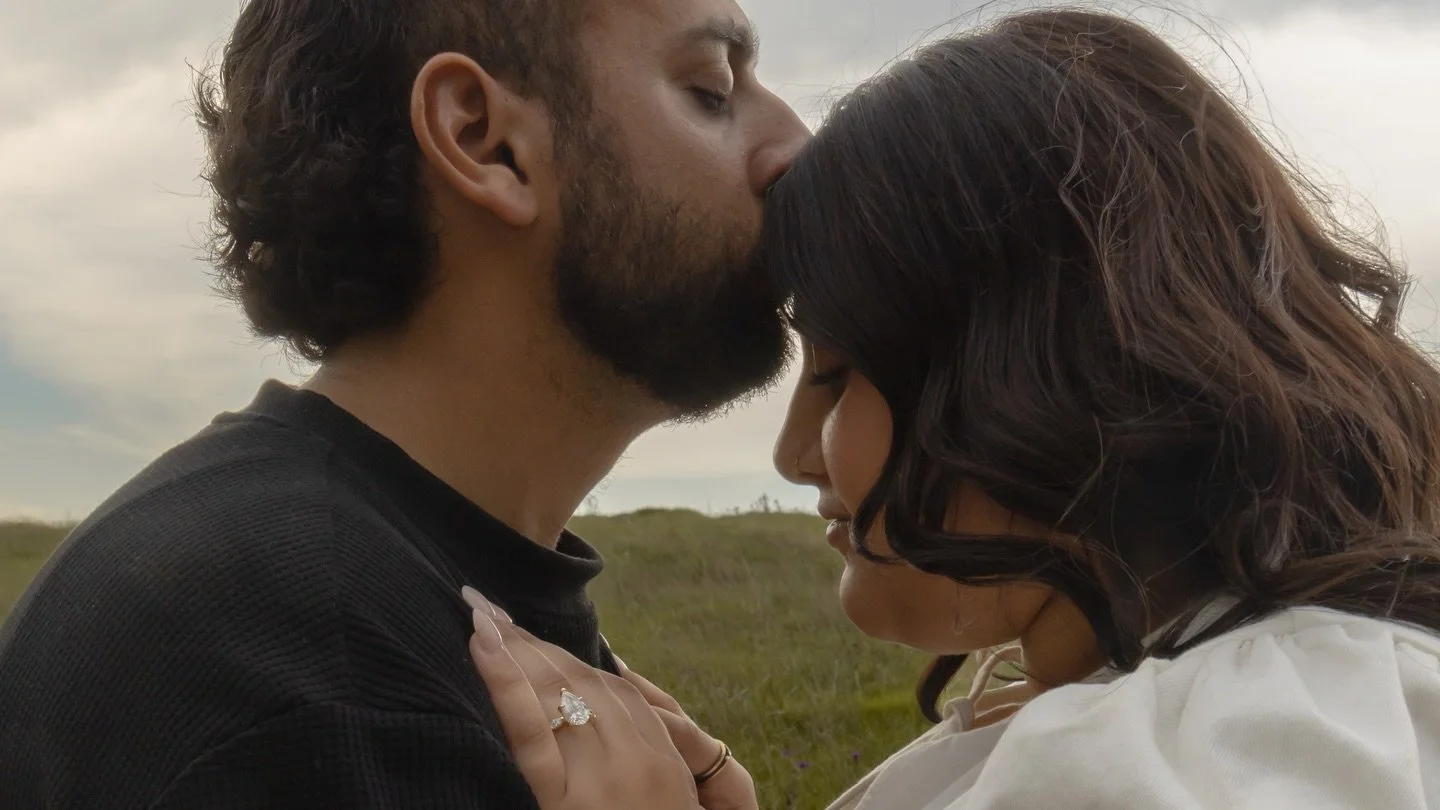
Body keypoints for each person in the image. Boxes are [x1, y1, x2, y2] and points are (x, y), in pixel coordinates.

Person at [464, 8, 1440, 809]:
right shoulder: (1246, 705)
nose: (796, 455)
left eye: (841, 373)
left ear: (1045, 364)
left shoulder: (1234, 760)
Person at [0, 0, 806, 805]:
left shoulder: (352, 581)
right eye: (712, 87)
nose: (796, 146)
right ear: (483, 140)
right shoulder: (310, 672)